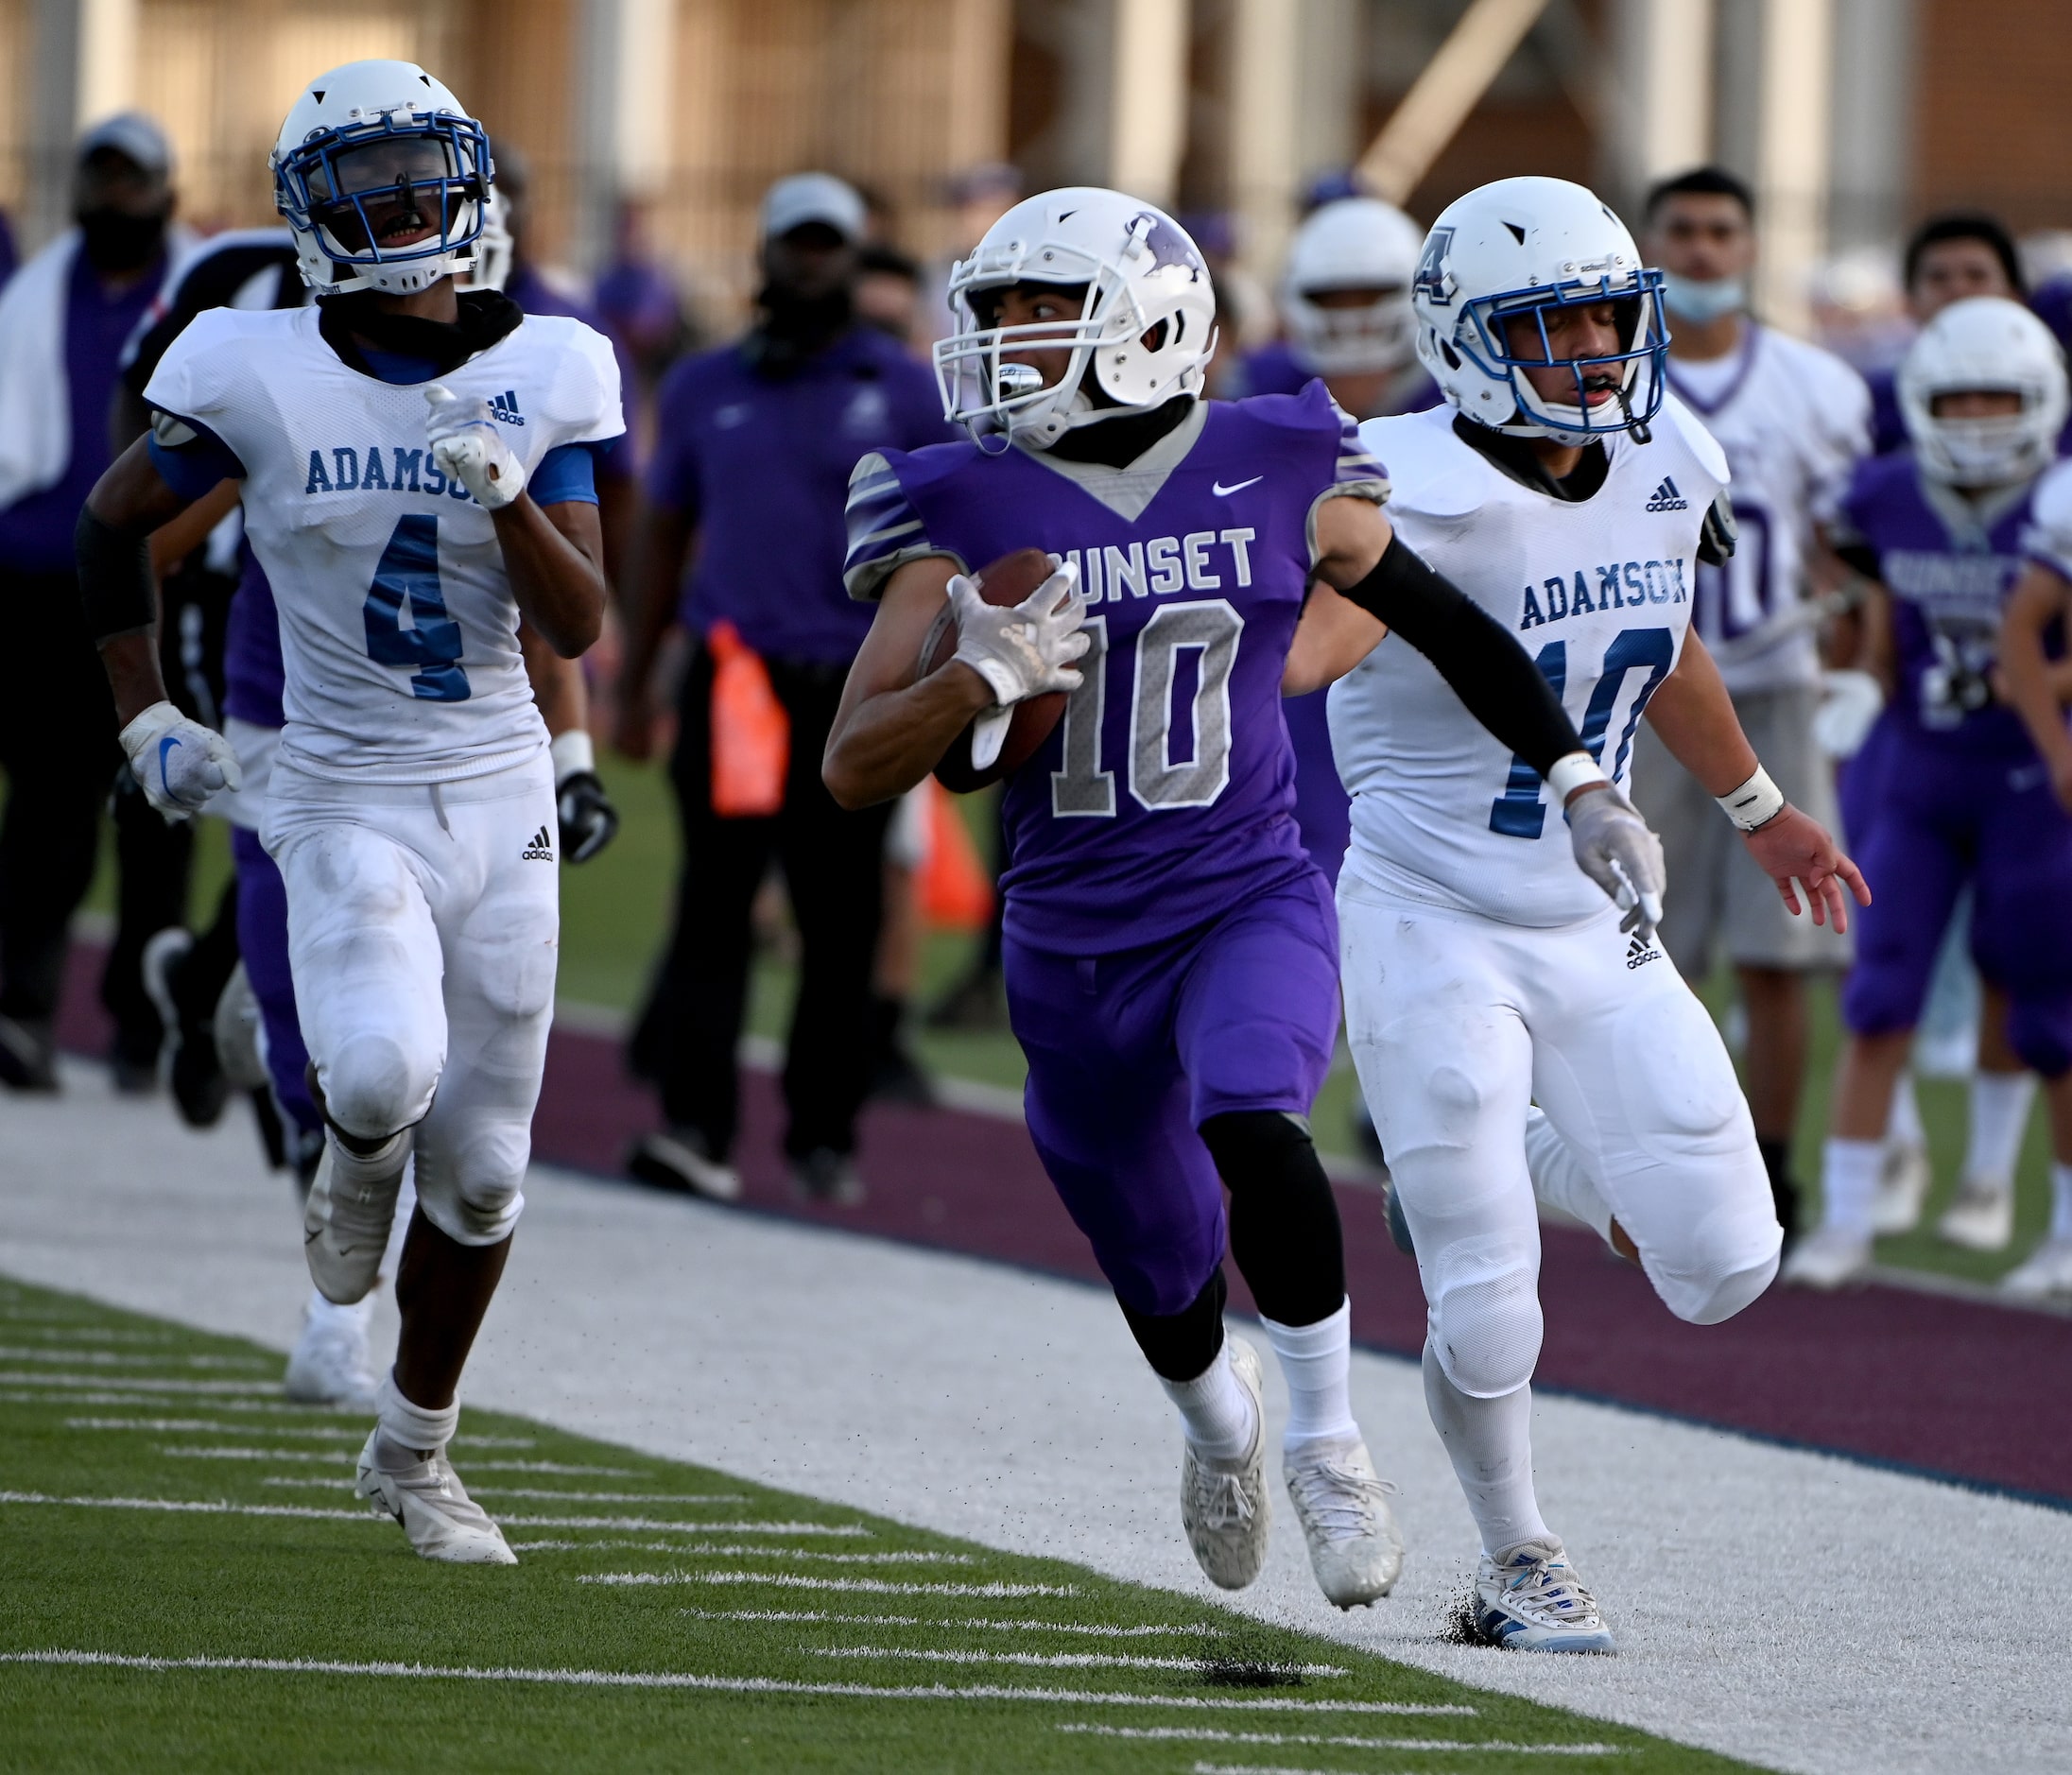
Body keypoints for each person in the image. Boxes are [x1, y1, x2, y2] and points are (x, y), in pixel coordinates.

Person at [824, 186, 1667, 1610]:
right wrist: (980, 679)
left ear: (1149, 327)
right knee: (1153, 1250)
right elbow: (854, 765)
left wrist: (1580, 775)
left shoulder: (1284, 453)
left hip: (1246, 888)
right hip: (1069, 932)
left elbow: (1448, 622)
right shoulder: (947, 494)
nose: (1007, 345)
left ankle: (1332, 1442)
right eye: (999, 316)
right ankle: (1226, 1422)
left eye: (1042, 312)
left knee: (1254, 1116)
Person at [77, 58, 624, 1561]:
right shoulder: (248, 360)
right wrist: (145, 714)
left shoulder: (551, 366)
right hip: (333, 780)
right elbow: (111, 524)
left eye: (413, 170)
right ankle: (347, 1154)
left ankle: (415, 1448)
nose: (394, 201)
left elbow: (578, 626)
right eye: (360, 176)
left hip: (498, 782)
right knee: (379, 1076)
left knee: (496, 1166)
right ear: (310, 208)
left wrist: (510, 490)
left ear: (464, 182)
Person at [1333, 177, 1867, 1648]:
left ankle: (1504, 1151)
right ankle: (1521, 1559)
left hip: (1588, 909)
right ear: (1463, 334)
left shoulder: (1668, 452)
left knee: (1723, 1260)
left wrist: (1762, 809)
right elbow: (1298, 660)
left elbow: (1659, 639)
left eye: (1606, 316)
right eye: (1551, 321)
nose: (1590, 350)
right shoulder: (1390, 476)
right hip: (1430, 905)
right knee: (1491, 1294)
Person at [615, 172, 950, 1205]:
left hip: (858, 684)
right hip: (735, 681)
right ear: (761, 254)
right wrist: (634, 680)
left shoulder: (900, 386)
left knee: (840, 918)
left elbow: (949, 538)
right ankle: (695, 1127)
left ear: (853, 257)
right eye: (793, 244)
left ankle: (823, 1134)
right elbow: (663, 534)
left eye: (828, 245)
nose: (809, 261)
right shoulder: (705, 384)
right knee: (714, 905)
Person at [1787, 298, 2072, 1287]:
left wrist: (2027, 680)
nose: (1982, 418)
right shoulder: (1885, 496)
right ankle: (1847, 1220)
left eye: (2002, 398)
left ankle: (2060, 1232)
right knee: (1879, 987)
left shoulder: (2059, 501)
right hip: (1918, 764)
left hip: (2026, 777)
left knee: (2044, 999)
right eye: (1960, 400)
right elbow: (1868, 611)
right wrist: (1856, 670)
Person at [1627, 166, 1870, 1242]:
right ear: (1648, 243)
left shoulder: (1817, 387)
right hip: (1642, 693)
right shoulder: (1611, 380)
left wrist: (1854, 663)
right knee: (1646, 950)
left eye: (1722, 231)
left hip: (1770, 683)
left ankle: (1774, 1172)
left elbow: (1848, 553)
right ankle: (1660, 1170)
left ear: (1751, 245)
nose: (1702, 251)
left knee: (1782, 956)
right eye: (1680, 230)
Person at [0, 112, 186, 1092]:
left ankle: (144, 1023)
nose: (117, 197)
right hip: (36, 583)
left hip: (161, 584)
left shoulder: (196, 299)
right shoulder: (35, 295)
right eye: (102, 178)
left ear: (166, 190)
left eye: (134, 179)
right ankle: (21, 1010)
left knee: (162, 802)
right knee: (46, 804)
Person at [1235, 196, 1442, 894]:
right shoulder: (1257, 394)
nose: (1354, 314)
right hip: (1300, 649)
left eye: (1371, 293)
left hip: (1430, 649)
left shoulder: (1456, 396)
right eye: (1336, 295)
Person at [1869, 215, 2027, 455]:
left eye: (1976, 275)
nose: (1958, 289)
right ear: (1908, 301)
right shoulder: (1876, 400)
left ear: (2014, 296)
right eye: (1938, 278)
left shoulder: (2055, 390)